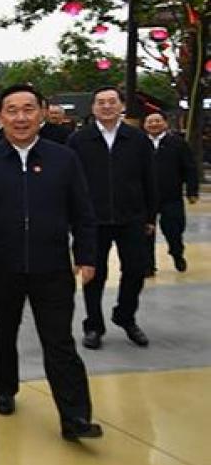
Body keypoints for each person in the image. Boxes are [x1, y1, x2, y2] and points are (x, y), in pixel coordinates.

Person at [0, 83, 102, 442]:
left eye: (28, 109)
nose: (20, 117)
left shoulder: (64, 158)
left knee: (59, 341)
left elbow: (83, 213)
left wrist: (86, 256)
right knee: (2, 331)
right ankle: (3, 389)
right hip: (2, 265)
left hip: (52, 266)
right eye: (12, 110)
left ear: (42, 113)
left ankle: (75, 417)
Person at [67, 87, 157, 350]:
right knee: (93, 275)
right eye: (101, 102)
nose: (106, 106)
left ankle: (125, 315)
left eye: (111, 102)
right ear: (93, 107)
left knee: (136, 270)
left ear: (121, 106)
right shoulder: (78, 140)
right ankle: (94, 325)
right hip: (91, 220)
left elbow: (150, 179)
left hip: (132, 217)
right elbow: (69, 182)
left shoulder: (137, 139)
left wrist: (150, 216)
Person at [142, 111, 199, 273]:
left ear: (165, 123)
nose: (154, 124)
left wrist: (192, 190)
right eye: (150, 121)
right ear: (145, 125)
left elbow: (189, 167)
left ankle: (177, 253)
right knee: (145, 232)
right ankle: (148, 265)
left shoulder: (178, 143)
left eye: (157, 121)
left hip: (171, 196)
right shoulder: (139, 143)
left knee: (173, 230)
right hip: (145, 197)